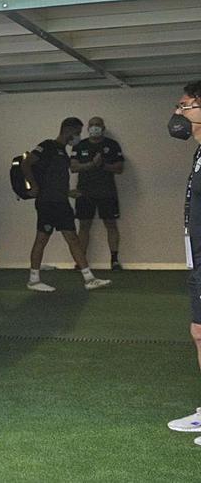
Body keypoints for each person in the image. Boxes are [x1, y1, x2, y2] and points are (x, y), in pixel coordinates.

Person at [19, 117, 111, 292]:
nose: (77, 136)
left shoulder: (63, 151)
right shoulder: (47, 146)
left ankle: (89, 279)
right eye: (77, 133)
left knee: (73, 239)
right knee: (42, 239)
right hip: (47, 203)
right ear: (68, 130)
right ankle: (34, 280)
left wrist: (70, 192)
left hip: (61, 202)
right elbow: (26, 163)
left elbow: (61, 177)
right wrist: (35, 186)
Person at [166, 80, 201, 446]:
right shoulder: (199, 152)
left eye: (185, 105)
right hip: (200, 256)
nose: (177, 113)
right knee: (199, 333)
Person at [72, 116, 126, 270]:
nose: (94, 127)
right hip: (84, 192)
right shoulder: (79, 145)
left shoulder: (112, 145)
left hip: (107, 192)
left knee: (111, 224)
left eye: (98, 125)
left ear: (103, 127)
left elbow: (120, 168)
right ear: (88, 128)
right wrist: (91, 165)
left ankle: (114, 260)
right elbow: (74, 167)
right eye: (92, 125)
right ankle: (80, 261)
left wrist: (103, 165)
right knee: (84, 226)